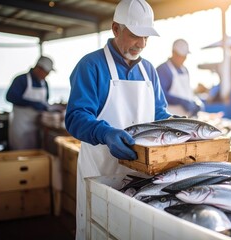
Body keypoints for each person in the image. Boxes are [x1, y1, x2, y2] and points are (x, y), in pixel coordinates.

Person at [64, 0, 172, 239]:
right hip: (100, 171)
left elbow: (159, 115)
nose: (141, 44)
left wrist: (178, 127)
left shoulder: (149, 71)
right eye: (135, 35)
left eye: (146, 38)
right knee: (100, 230)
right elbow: (75, 117)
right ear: (116, 28)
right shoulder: (91, 65)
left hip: (143, 177)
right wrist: (105, 133)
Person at [6, 56, 55, 150]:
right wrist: (31, 103)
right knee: (19, 152)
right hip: (20, 126)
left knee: (35, 152)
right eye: (47, 72)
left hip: (36, 126)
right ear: (39, 68)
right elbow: (10, 97)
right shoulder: (21, 79)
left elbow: (45, 101)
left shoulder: (45, 83)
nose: (47, 75)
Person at [156, 39, 203, 117]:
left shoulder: (185, 70)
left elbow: (188, 92)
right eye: (180, 56)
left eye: (184, 56)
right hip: (170, 118)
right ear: (173, 52)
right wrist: (181, 101)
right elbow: (160, 94)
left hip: (186, 118)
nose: (183, 59)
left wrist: (195, 102)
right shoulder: (163, 69)